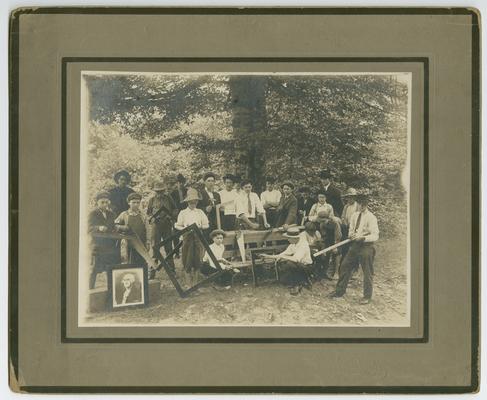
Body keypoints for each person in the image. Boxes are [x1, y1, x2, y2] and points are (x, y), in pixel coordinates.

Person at [329, 194, 379, 304]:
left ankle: (367, 296)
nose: (361, 207)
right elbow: (351, 230)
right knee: (344, 266)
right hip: (355, 246)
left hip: (366, 246)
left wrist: (364, 238)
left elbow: (375, 235)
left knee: (367, 271)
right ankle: (339, 291)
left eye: (363, 205)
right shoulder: (355, 215)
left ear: (366, 205)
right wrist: (351, 235)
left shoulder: (371, 217)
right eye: (359, 204)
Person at [174, 188, 210, 286]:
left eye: (195, 202)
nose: (193, 204)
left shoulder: (200, 212)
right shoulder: (183, 213)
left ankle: (195, 284)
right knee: (187, 259)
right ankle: (188, 284)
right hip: (187, 238)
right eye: (191, 202)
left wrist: (200, 226)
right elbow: (177, 225)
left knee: (197, 259)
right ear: (188, 202)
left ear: (197, 202)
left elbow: (207, 225)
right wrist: (185, 228)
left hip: (198, 238)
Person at [263, 227, 313, 295]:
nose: (288, 239)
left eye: (289, 238)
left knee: (290, 264)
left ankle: (298, 284)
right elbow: (283, 254)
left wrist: (283, 257)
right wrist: (267, 256)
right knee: (283, 279)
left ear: (295, 238)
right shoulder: (293, 244)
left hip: (306, 267)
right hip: (299, 265)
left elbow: (296, 259)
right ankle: (300, 281)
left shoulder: (303, 244)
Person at [88, 191, 120, 289]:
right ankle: (90, 288)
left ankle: (111, 287)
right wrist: (98, 228)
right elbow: (88, 228)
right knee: (95, 268)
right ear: (97, 202)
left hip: (110, 245)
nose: (105, 204)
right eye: (102, 202)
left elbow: (113, 226)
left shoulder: (111, 214)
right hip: (98, 245)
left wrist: (116, 228)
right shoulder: (93, 213)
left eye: (106, 202)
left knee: (111, 267)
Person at [147, 181, 178, 272]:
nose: (160, 193)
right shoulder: (151, 200)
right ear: (155, 191)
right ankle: (153, 270)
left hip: (167, 225)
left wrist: (171, 216)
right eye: (158, 191)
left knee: (168, 247)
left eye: (161, 191)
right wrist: (152, 218)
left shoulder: (168, 198)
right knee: (155, 247)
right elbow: (148, 213)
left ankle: (171, 269)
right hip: (156, 226)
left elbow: (175, 209)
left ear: (164, 191)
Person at [115, 192, 148, 268]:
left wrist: (148, 241)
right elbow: (115, 225)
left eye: (138, 202)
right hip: (129, 242)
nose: (136, 204)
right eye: (133, 202)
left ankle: (141, 276)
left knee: (141, 260)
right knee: (130, 260)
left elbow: (148, 228)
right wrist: (122, 228)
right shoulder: (124, 214)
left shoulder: (143, 215)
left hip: (141, 241)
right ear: (129, 203)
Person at [315, 209, 342, 280]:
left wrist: (335, 246)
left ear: (328, 219)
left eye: (323, 221)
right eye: (321, 221)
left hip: (340, 236)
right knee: (325, 252)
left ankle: (336, 272)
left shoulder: (335, 222)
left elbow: (338, 235)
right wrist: (322, 242)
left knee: (336, 253)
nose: (322, 222)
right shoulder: (322, 223)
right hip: (329, 236)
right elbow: (324, 235)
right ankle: (325, 271)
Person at [170, 174, 188, 258]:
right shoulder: (173, 193)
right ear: (176, 183)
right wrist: (173, 214)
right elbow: (171, 205)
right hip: (176, 216)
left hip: (185, 214)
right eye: (178, 183)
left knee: (187, 232)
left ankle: (186, 250)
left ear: (184, 183)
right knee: (175, 234)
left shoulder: (187, 191)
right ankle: (177, 252)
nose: (180, 184)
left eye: (182, 183)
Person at [340, 187, 359, 259]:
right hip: (346, 228)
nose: (350, 199)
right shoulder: (346, 206)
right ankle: (344, 258)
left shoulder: (358, 206)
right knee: (345, 245)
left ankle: (355, 262)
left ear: (355, 198)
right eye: (349, 197)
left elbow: (361, 218)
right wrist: (344, 222)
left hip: (355, 229)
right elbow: (343, 217)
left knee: (354, 246)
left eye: (352, 197)